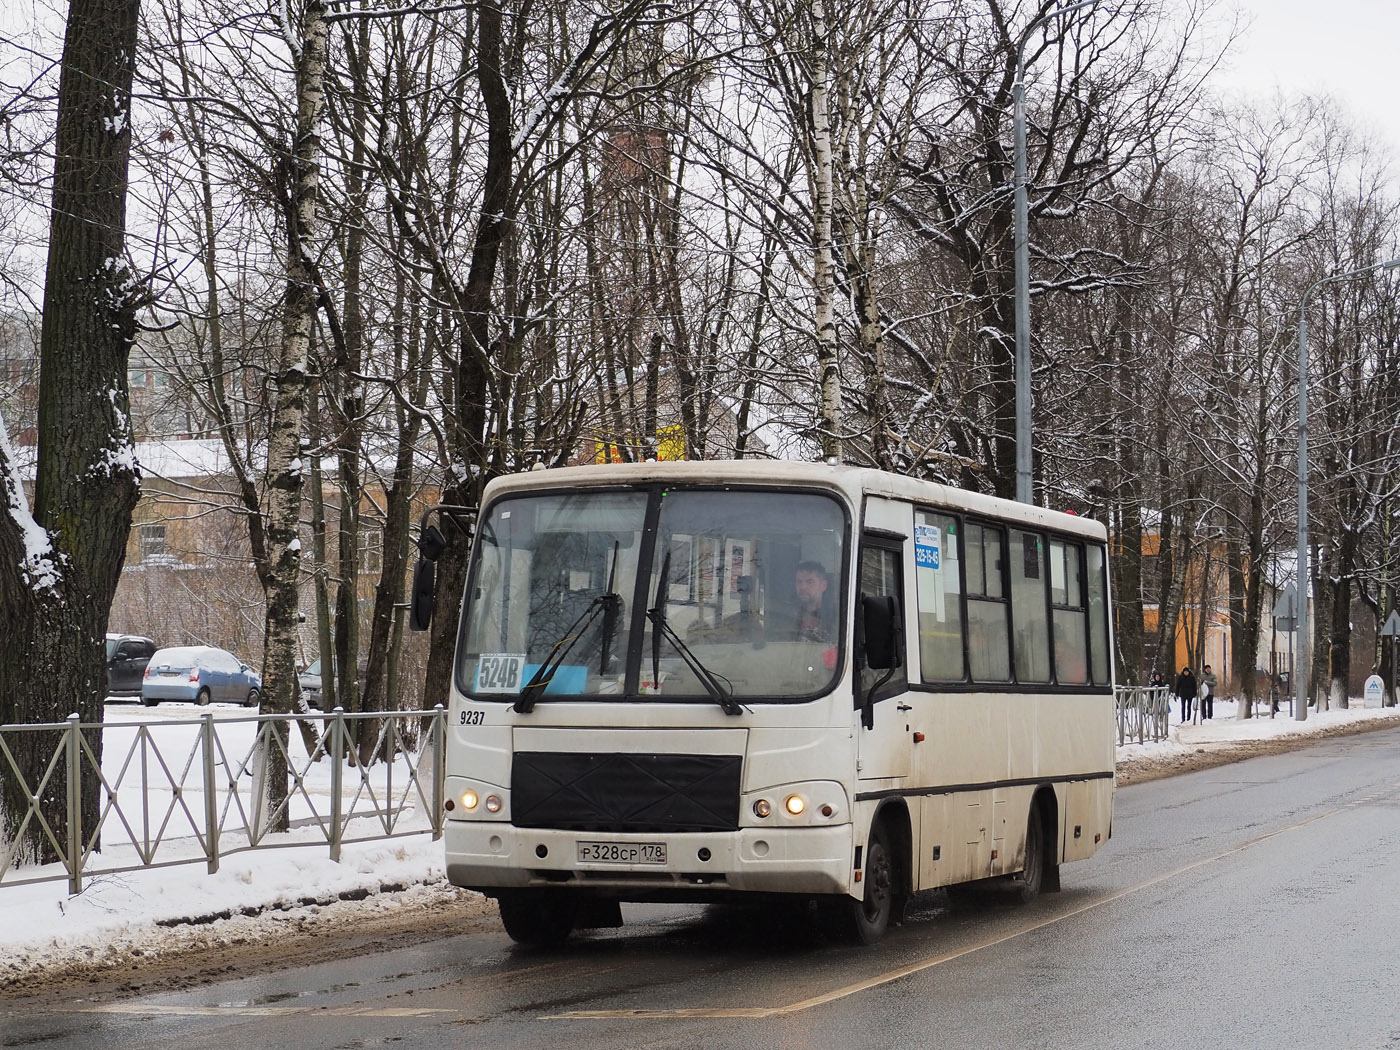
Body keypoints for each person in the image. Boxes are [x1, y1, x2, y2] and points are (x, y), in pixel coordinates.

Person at [791, 560, 833, 642]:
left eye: (810, 582)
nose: (803, 587)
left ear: (823, 585)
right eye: (799, 582)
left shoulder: (834, 618)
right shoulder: (788, 615)